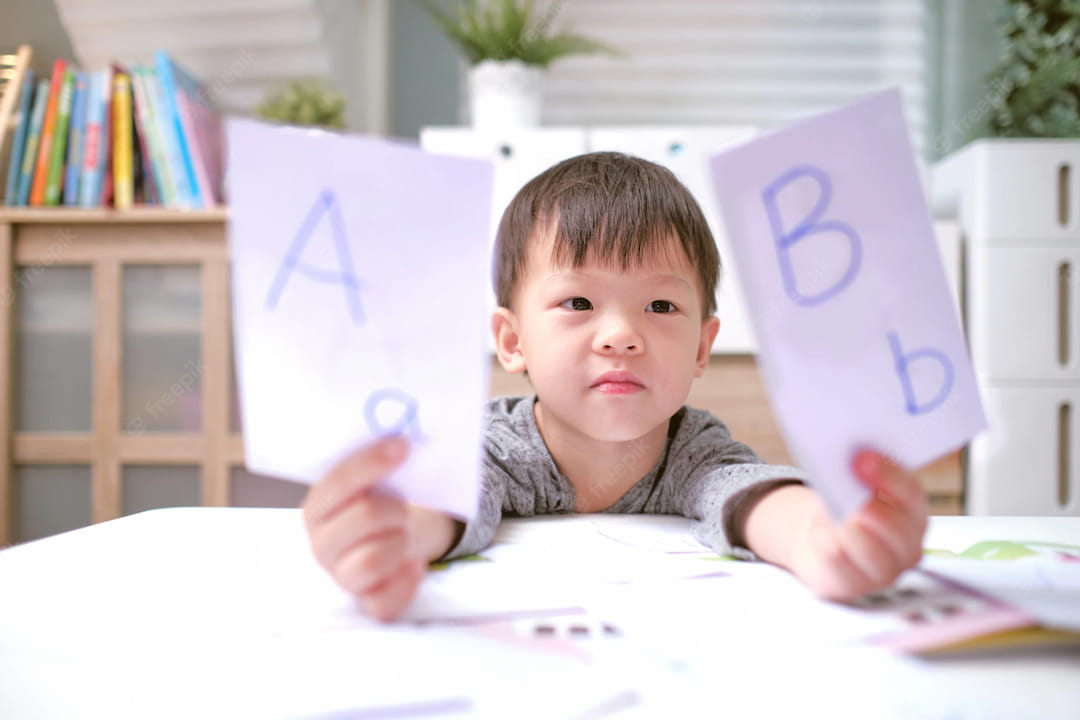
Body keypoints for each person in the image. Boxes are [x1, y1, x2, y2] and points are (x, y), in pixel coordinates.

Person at [302, 152, 929, 622]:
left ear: (702, 347)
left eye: (660, 306)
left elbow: (750, 496)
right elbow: (451, 496)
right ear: (512, 340)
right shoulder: (494, 446)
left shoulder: (695, 451)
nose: (622, 336)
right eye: (578, 301)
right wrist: (390, 534)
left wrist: (822, 538)